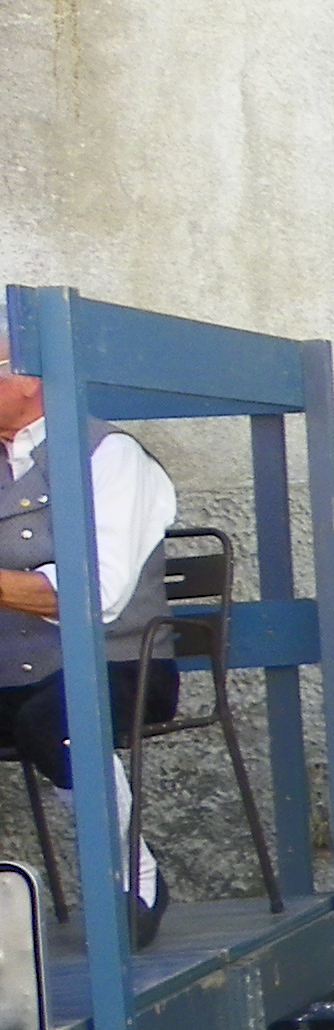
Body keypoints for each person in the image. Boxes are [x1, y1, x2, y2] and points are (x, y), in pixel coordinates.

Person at [0, 319, 179, 944]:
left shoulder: (108, 455)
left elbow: (96, 596)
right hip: (11, 670)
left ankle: (136, 878)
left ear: (26, 378)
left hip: (118, 663)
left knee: (56, 720)